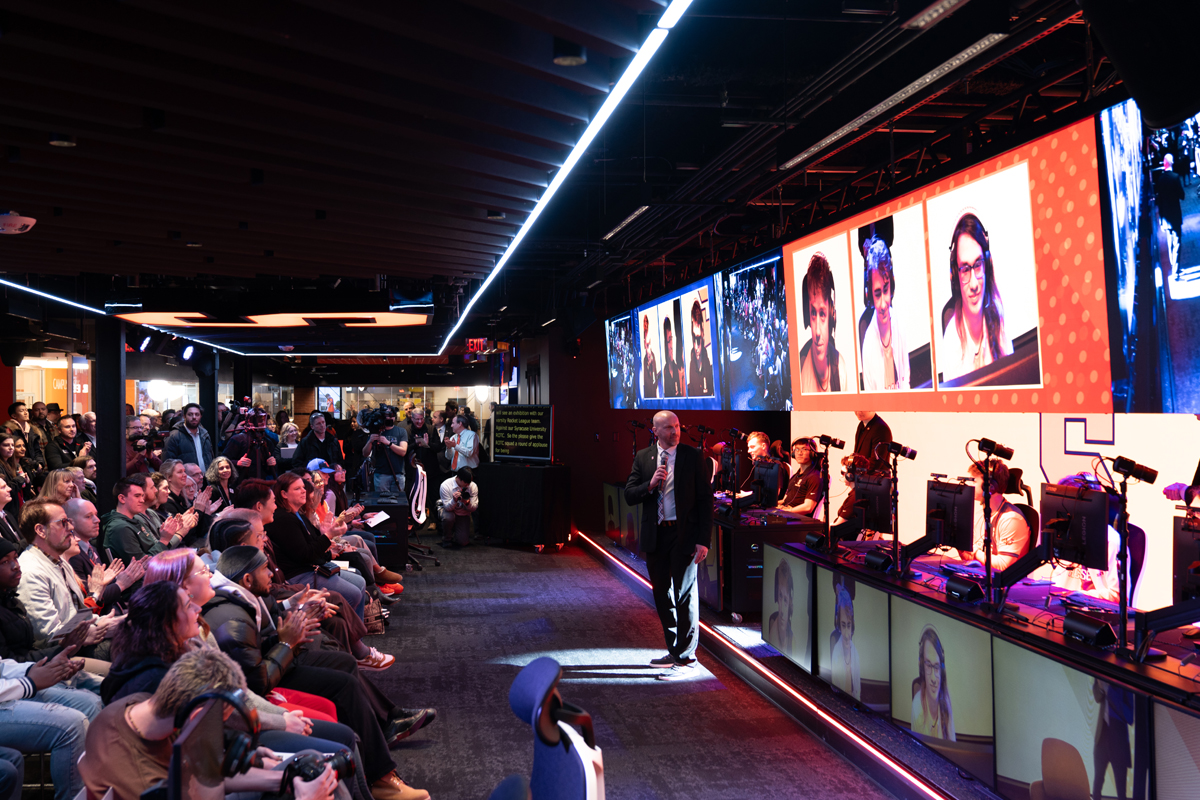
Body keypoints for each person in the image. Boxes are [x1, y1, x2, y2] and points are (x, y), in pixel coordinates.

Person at [204, 547, 431, 799]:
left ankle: (387, 723)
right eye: (264, 569)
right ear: (247, 579)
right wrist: (288, 644)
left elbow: (264, 635)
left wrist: (297, 623)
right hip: (266, 684)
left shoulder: (244, 596)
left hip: (274, 663)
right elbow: (257, 682)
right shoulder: (231, 619)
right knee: (343, 684)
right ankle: (382, 778)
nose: (270, 573)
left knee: (344, 662)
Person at [82, 647, 352, 800]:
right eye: (220, 720)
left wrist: (287, 780)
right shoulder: (147, 785)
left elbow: (203, 772)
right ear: (196, 716)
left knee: (310, 764)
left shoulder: (137, 706)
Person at [624, 410, 713, 680]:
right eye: (668, 428)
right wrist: (649, 486)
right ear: (655, 431)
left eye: (676, 426)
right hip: (656, 535)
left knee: (685, 594)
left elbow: (705, 501)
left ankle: (687, 659)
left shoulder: (692, 456)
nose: (674, 432)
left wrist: (703, 540)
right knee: (662, 594)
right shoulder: (643, 457)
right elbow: (629, 494)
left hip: (684, 535)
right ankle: (674, 650)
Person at [263, 473, 368, 617]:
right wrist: (328, 536)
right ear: (284, 494)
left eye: (303, 488)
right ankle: (348, 632)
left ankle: (356, 631)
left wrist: (325, 536)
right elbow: (305, 555)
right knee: (354, 592)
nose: (304, 491)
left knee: (360, 580)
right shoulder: (284, 519)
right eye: (297, 489)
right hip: (299, 574)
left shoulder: (297, 514)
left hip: (312, 567)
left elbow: (314, 543)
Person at [940, 212, 1013, 382]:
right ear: (956, 276)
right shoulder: (951, 342)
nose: (973, 284)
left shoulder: (998, 317)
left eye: (978, 265)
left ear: (986, 265)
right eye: (965, 269)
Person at [1051, 473, 1129, 604]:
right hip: (1064, 607)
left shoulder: (1110, 541)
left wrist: (1078, 596)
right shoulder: (1065, 532)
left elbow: (1118, 596)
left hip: (1095, 613)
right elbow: (1058, 582)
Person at [64, 497, 145, 614]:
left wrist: (118, 577)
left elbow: (101, 588)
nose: (97, 520)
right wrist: (120, 584)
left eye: (96, 515)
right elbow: (88, 598)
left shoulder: (92, 549)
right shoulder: (72, 555)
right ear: (71, 523)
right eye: (88, 516)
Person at [957, 460, 1030, 571]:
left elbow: (1003, 566)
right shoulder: (981, 515)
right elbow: (972, 560)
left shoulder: (1011, 519)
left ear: (990, 486)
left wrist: (975, 552)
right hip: (982, 576)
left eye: (974, 481)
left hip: (1005, 585)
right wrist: (959, 544)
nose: (969, 485)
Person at [860, 237, 910, 391]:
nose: (883, 304)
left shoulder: (899, 324)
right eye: (877, 294)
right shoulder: (868, 345)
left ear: (892, 286)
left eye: (886, 290)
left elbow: (906, 382)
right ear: (869, 295)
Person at [102, 476, 186, 566]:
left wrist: (167, 536)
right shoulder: (119, 528)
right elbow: (142, 566)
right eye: (137, 496)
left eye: (142, 496)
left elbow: (155, 547)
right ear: (122, 498)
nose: (142, 500)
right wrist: (164, 540)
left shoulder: (135, 520)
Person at [799, 253, 850, 393]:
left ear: (832, 315)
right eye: (813, 314)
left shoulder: (841, 370)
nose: (817, 332)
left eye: (822, 314)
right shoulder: (800, 370)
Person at [911, 625, 954, 740]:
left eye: (936, 667)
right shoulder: (917, 706)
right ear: (922, 668)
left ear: (942, 670)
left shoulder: (946, 704)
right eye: (928, 665)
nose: (934, 678)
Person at [225, 408, 281, 483]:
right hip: (242, 484)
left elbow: (272, 470)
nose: (262, 422)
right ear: (251, 420)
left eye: (264, 419)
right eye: (259, 419)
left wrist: (271, 464)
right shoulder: (238, 439)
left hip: (261, 485)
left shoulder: (267, 441)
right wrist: (237, 463)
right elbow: (223, 460)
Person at [363, 407, 407, 494]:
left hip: (398, 473)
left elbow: (403, 452)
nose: (390, 418)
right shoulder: (376, 430)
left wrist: (388, 443)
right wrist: (370, 441)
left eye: (392, 415)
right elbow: (365, 453)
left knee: (398, 504)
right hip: (381, 474)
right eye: (387, 415)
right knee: (382, 504)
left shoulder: (401, 431)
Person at [161, 402, 214, 469]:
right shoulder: (174, 436)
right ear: (184, 416)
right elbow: (168, 463)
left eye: (197, 414)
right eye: (190, 414)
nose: (194, 417)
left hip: (205, 477)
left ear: (201, 416)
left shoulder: (205, 434)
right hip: (185, 477)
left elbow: (210, 457)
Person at [830, 587, 860, 700]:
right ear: (838, 626)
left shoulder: (855, 653)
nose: (847, 634)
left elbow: (858, 694)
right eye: (843, 625)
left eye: (849, 625)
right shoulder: (836, 653)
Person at [780, 437, 822, 516]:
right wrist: (771, 505)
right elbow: (785, 500)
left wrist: (788, 511)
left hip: (798, 520)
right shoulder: (796, 476)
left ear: (812, 453)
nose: (799, 453)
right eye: (797, 449)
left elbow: (808, 507)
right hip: (788, 514)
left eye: (804, 449)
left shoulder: (814, 477)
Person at [4, 402, 47, 475]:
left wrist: (40, 463)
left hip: (32, 468)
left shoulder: (32, 429)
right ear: (14, 415)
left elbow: (37, 450)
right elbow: (12, 452)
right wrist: (34, 464)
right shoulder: (8, 430)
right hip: (15, 467)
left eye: (26, 410)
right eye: (21, 411)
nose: (25, 413)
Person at [439, 467, 478, 547]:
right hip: (449, 510)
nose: (468, 485)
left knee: (463, 542)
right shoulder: (445, 485)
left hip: (462, 513)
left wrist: (467, 503)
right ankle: (447, 538)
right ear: (459, 478)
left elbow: (474, 508)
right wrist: (454, 500)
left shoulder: (473, 486)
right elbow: (447, 507)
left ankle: (456, 530)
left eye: (469, 482)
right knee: (448, 517)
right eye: (466, 482)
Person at [765, 557, 793, 655]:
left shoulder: (792, 638)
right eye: (780, 596)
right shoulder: (773, 627)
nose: (781, 608)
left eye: (785, 600)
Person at [686, 299, 714, 396]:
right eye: (694, 338)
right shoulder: (691, 365)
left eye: (698, 338)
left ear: (703, 336)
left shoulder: (709, 365)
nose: (696, 346)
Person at [662, 316, 683, 398]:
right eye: (668, 341)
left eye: (671, 339)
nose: (671, 346)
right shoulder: (665, 371)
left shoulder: (678, 368)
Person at [0, 477, 21, 549]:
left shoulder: (7, 514)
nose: (9, 489)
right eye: (3, 487)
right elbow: (6, 550)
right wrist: (30, 539)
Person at [641, 313, 658, 398]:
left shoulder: (653, 357)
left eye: (649, 343)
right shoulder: (644, 361)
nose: (649, 348)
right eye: (647, 345)